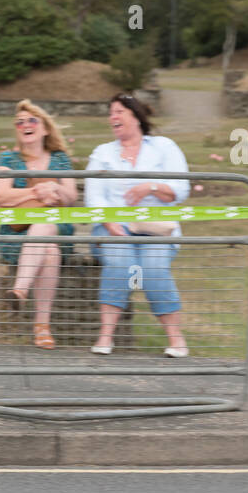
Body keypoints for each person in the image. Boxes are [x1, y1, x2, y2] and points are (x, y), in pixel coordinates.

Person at [84, 93, 189, 356]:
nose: (113, 117)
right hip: (113, 227)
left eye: (119, 111)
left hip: (155, 228)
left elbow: (181, 189)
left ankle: (176, 341)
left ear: (135, 116)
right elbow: (93, 195)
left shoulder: (164, 147)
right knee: (121, 262)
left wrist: (150, 186)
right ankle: (105, 338)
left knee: (152, 268)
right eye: (110, 113)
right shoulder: (103, 153)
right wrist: (108, 220)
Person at [0, 99, 77, 349]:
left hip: (56, 227)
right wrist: (36, 192)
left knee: (46, 226)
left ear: (45, 128)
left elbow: (71, 197)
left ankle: (19, 290)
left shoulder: (59, 159)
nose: (25, 124)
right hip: (17, 231)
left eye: (31, 120)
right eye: (19, 122)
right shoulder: (8, 158)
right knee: (50, 250)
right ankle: (42, 326)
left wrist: (56, 190)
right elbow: (2, 196)